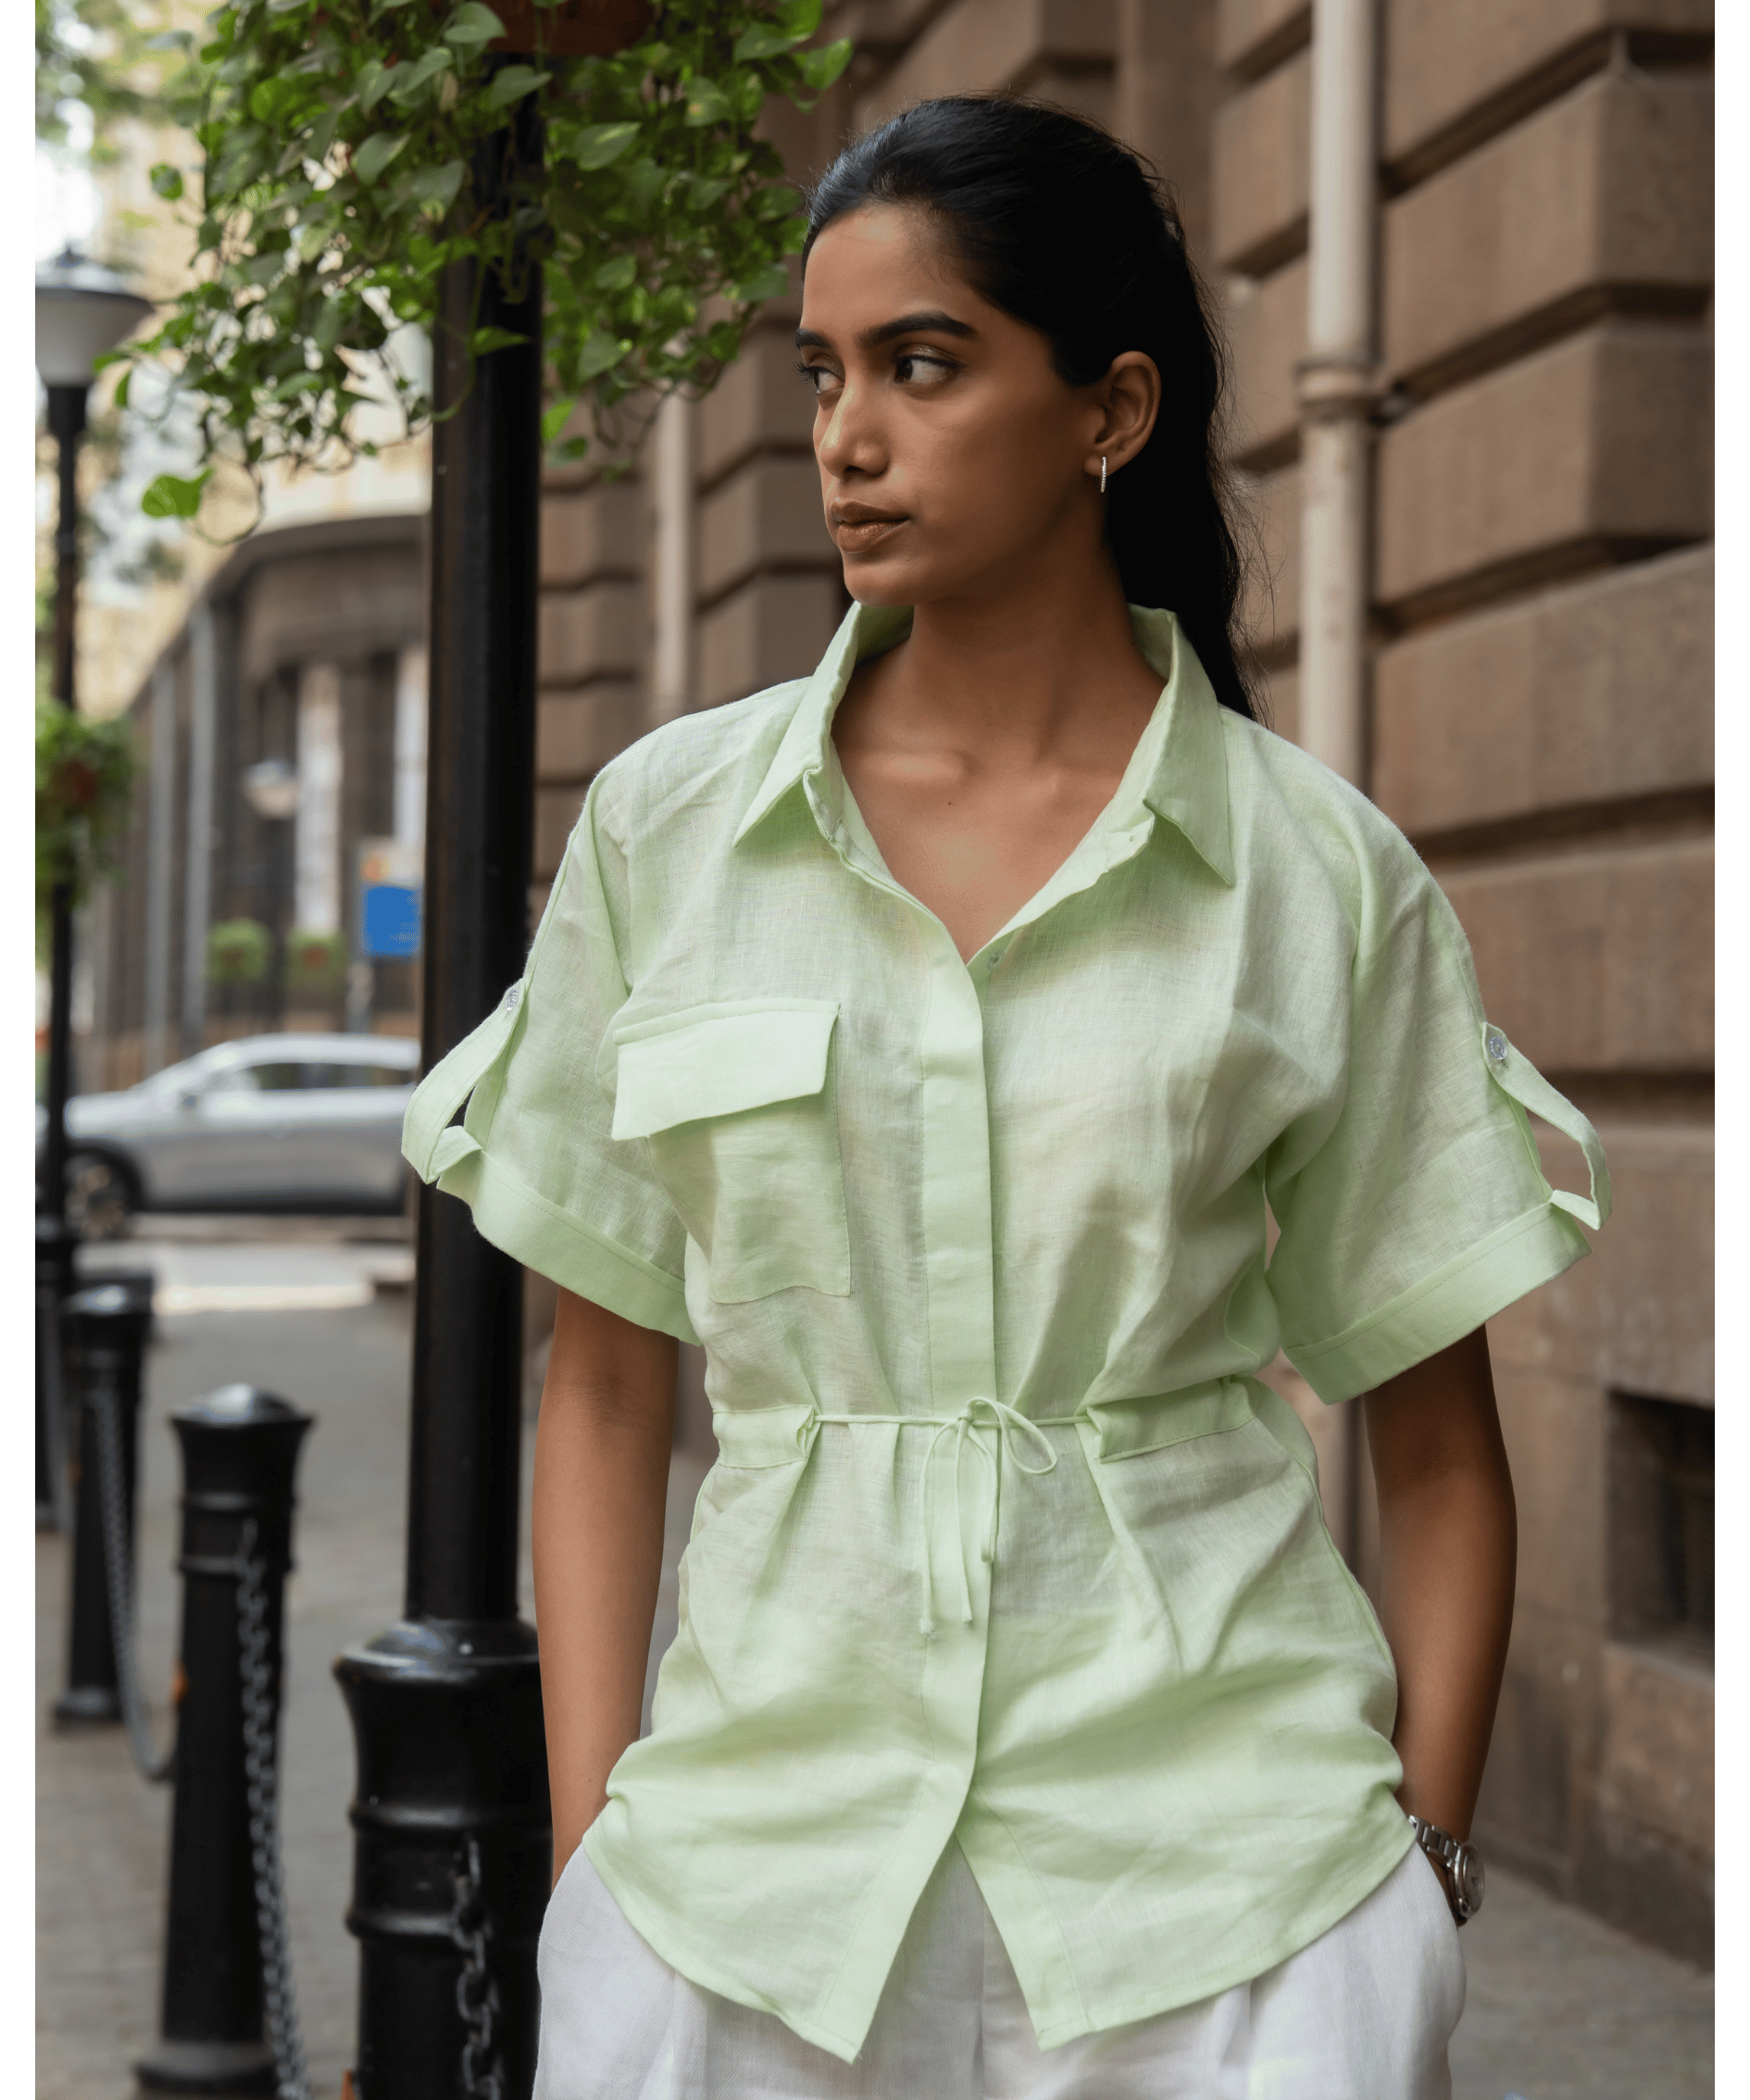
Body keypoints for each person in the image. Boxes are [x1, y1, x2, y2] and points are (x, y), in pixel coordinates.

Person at [403, 95, 1610, 2099]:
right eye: (825, 373)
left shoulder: (1317, 877)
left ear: (1108, 411)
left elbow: (1440, 1436)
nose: (846, 437)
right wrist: (595, 1857)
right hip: (746, 1909)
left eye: (924, 364)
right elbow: (605, 1393)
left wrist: (1422, 1889)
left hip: (1232, 1903)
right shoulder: (669, 837)